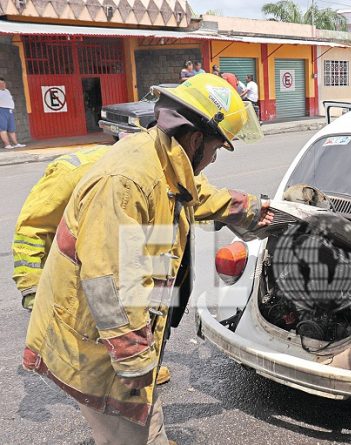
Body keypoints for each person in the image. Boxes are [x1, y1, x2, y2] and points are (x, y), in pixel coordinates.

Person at [22, 73, 271, 445]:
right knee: (122, 431)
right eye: (218, 148)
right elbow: (108, 281)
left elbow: (194, 193)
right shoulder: (126, 180)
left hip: (118, 329)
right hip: (97, 334)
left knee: (141, 415)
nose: (215, 159)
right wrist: (133, 356)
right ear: (197, 138)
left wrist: (250, 209)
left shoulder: (161, 158)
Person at [0, 77, 25, 149]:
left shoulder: (7, 91)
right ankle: (7, 144)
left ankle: (16, 143)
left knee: (12, 128)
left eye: (3, 83)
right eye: (0, 83)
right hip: (1, 110)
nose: (2, 84)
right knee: (2, 128)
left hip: (9, 110)